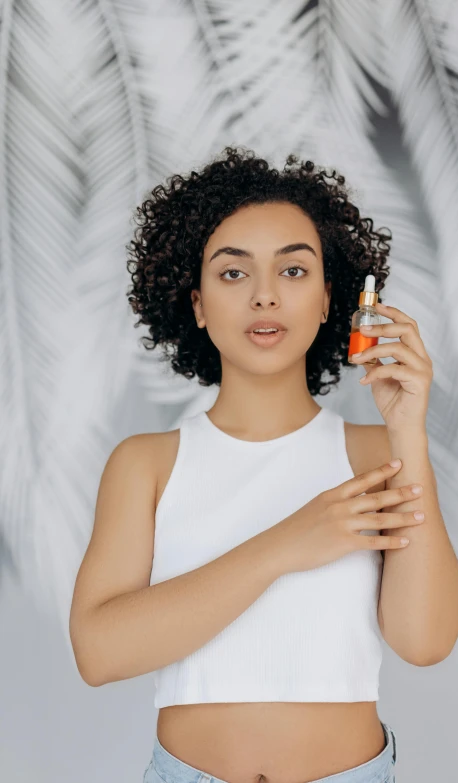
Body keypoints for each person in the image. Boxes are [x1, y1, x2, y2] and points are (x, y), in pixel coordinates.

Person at [71, 146, 412, 783]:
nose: (264, 297)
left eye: (292, 271)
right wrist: (288, 543)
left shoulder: (378, 455)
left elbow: (426, 641)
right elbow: (98, 653)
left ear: (327, 299)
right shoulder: (146, 465)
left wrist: (409, 428)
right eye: (233, 274)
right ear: (195, 303)